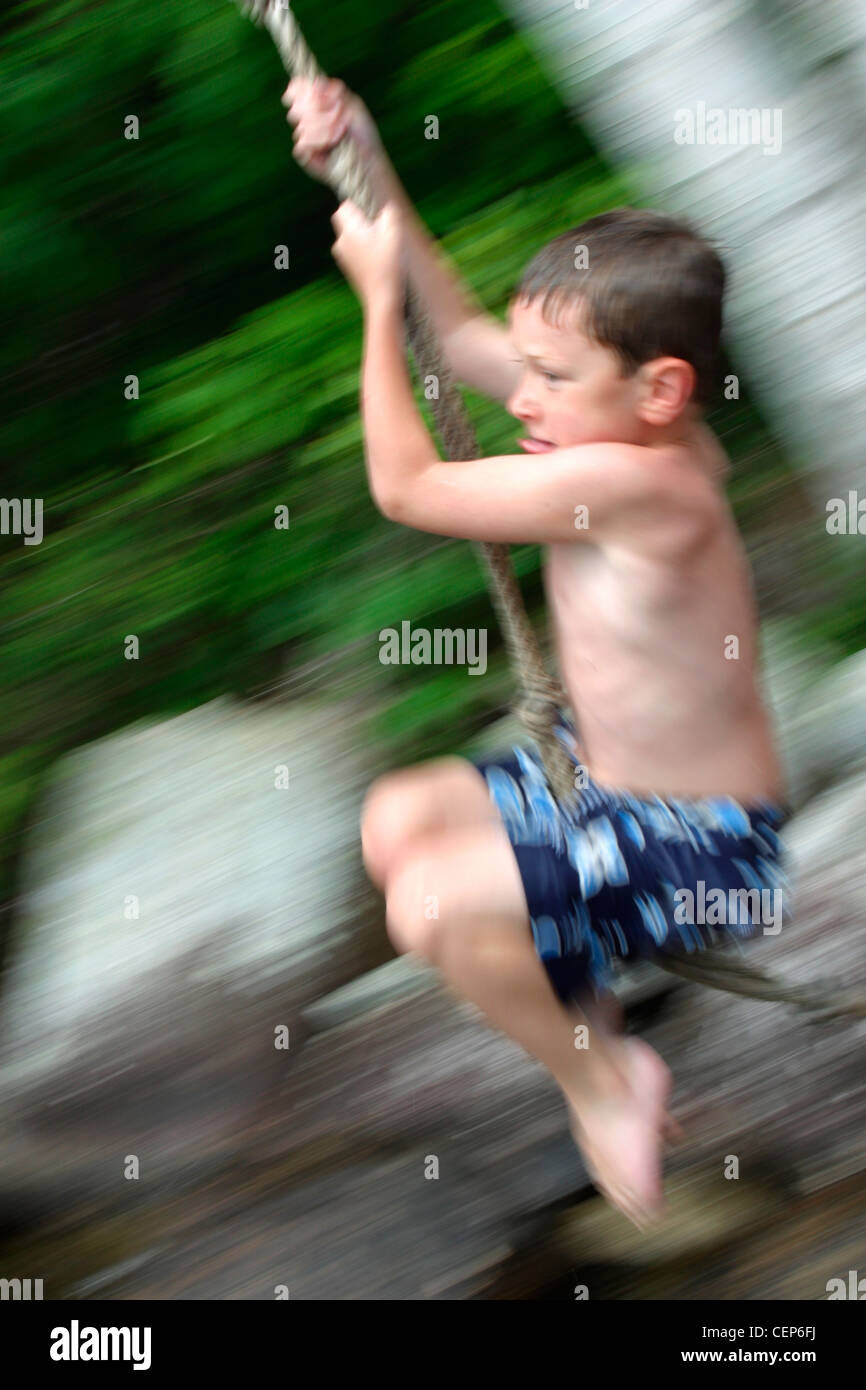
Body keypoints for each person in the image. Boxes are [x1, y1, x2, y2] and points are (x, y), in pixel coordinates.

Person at [283, 76, 790, 1230]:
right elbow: (457, 335)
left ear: (659, 390)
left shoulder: (635, 480)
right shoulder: (604, 418)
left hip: (698, 847)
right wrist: (366, 156)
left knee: (429, 908)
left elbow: (407, 488)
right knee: (393, 819)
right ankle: (591, 1009)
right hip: (597, 786)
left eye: (551, 379)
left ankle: (599, 1078)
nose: (526, 394)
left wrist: (370, 308)